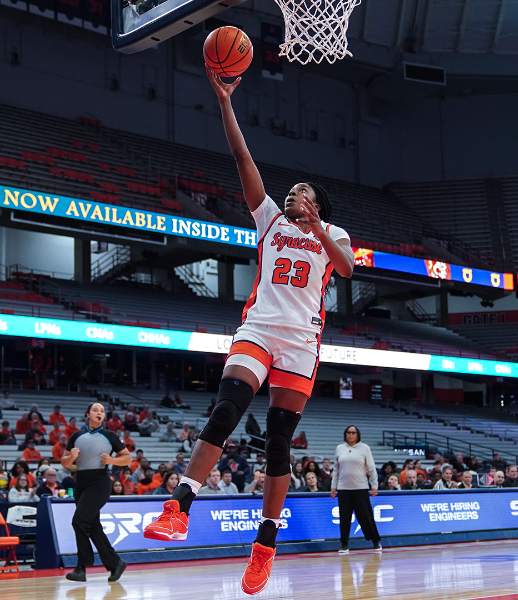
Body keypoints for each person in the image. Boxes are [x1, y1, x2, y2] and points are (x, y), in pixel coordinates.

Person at [144, 65, 353, 597]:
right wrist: (225, 101)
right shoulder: (271, 221)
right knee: (227, 408)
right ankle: (178, 506)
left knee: (279, 443)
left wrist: (319, 227)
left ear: (318, 203)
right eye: (292, 190)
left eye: (302, 190)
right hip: (259, 329)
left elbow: (347, 269)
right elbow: (242, 158)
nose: (292, 193)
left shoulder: (333, 233)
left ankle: (264, 545)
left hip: (301, 343)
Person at [60, 402, 130, 583]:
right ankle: (115, 563)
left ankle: (81, 568)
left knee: (79, 521)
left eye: (102, 411)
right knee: (92, 526)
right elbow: (64, 463)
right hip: (81, 483)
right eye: (95, 410)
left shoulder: (110, 436)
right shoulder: (76, 436)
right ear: (88, 414)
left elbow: (127, 458)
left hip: (100, 482)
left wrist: (112, 460)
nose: (99, 413)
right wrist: (72, 457)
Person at [331, 425, 381, 554]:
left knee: (366, 516)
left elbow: (371, 468)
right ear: (345, 434)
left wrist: (374, 485)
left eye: (353, 432)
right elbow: (336, 469)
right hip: (343, 488)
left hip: (360, 488)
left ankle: (376, 542)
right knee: (344, 518)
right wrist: (333, 486)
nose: (350, 434)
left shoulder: (364, 448)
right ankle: (344, 545)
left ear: (357, 435)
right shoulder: (339, 448)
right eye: (348, 432)